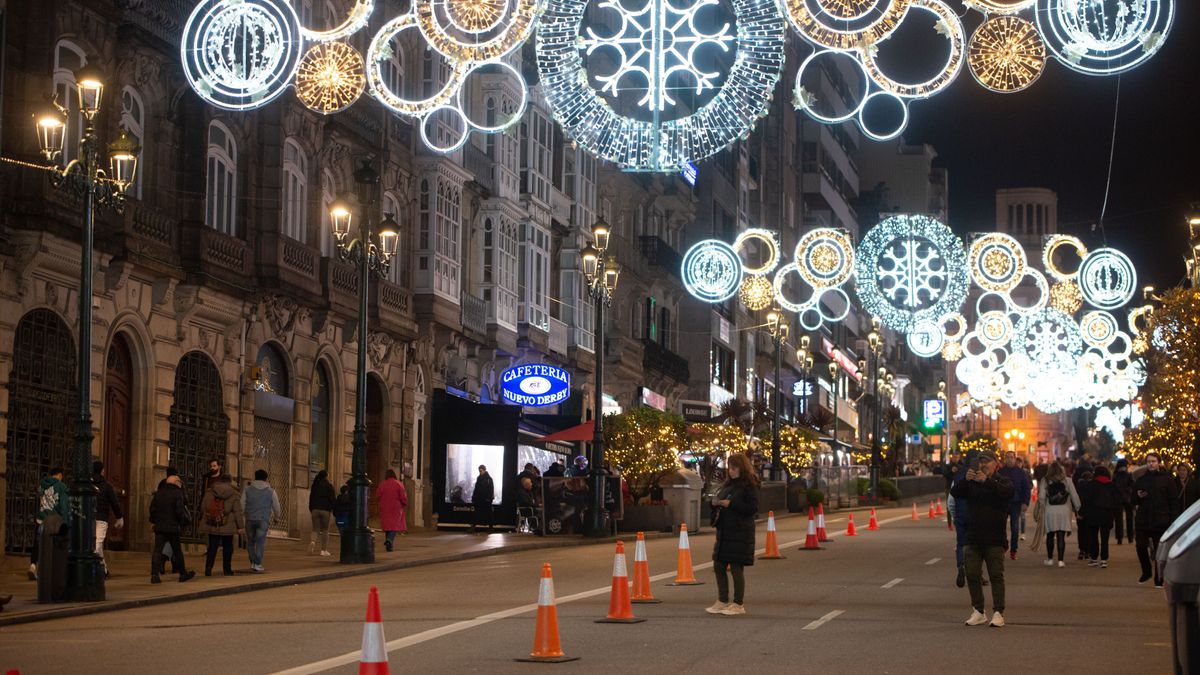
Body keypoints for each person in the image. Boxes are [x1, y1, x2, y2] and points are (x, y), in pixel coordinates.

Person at [950, 450, 1013, 627]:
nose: (984, 465)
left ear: (996, 463)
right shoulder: (972, 482)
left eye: (987, 462)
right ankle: (978, 610)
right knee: (971, 574)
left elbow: (1007, 493)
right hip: (972, 536)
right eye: (981, 462)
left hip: (994, 538)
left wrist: (987, 481)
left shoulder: (1002, 481)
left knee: (996, 576)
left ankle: (999, 612)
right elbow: (955, 493)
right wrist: (966, 479)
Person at [707, 452, 759, 617]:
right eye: (729, 467)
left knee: (736, 567)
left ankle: (738, 603)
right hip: (725, 531)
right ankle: (722, 600)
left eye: (734, 468)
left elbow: (752, 508)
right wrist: (715, 503)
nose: (731, 471)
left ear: (741, 468)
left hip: (740, 531)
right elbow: (721, 501)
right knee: (719, 565)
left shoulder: (750, 485)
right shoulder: (728, 485)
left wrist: (732, 504)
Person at [1134, 452, 1181, 587]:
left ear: (1159, 463)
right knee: (1140, 546)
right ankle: (1146, 571)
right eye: (1149, 461)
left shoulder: (1167, 479)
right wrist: (1138, 496)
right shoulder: (1141, 479)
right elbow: (1133, 499)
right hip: (1144, 518)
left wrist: (1173, 520)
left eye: (1153, 461)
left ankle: (1159, 578)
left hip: (1161, 519)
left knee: (1160, 551)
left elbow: (1173, 501)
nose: (1151, 464)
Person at [148, 474, 196, 583]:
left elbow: (152, 509)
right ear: (176, 483)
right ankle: (183, 574)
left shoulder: (159, 493)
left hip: (160, 527)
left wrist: (153, 522)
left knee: (157, 551)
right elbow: (179, 511)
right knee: (177, 551)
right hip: (172, 527)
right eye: (180, 483)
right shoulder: (177, 493)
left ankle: (154, 575)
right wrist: (182, 523)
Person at [198, 474, 244, 576]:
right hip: (227, 524)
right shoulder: (234, 494)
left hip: (213, 523)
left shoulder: (210, 491)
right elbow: (237, 512)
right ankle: (227, 570)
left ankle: (208, 568)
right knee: (228, 547)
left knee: (212, 546)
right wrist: (240, 526)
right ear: (230, 481)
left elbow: (203, 507)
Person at [1037, 461, 1080, 567]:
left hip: (1050, 511)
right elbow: (1074, 496)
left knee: (1050, 536)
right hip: (1064, 511)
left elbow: (1042, 497)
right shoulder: (1068, 481)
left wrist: (1042, 506)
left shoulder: (1045, 480)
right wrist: (1078, 508)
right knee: (1061, 536)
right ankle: (1061, 561)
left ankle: (1050, 559)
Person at [30, 467, 69, 581]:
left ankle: (33, 565)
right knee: (53, 546)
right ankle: (48, 570)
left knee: (37, 543)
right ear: (60, 475)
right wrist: (65, 522)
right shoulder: (62, 487)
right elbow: (63, 506)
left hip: (41, 518)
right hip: (53, 520)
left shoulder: (42, 485)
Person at [1078, 465, 1117, 568]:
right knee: (1105, 538)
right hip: (1107, 514)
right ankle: (1104, 559)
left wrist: (1081, 513)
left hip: (1093, 513)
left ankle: (1094, 558)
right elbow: (1116, 501)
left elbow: (1086, 500)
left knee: (1093, 537)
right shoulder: (1111, 485)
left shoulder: (1091, 485)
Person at [242, 469, 281, 573]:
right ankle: (257, 563)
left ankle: (252, 562)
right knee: (260, 541)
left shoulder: (247, 489)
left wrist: (242, 516)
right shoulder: (271, 491)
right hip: (263, 519)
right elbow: (277, 507)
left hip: (249, 519)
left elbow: (242, 505)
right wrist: (276, 518)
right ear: (266, 478)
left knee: (250, 541)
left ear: (255, 477)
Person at [92, 461, 124, 578]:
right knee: (97, 544)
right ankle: (101, 569)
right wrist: (119, 517)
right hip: (101, 518)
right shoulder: (107, 485)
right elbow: (114, 502)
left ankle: (102, 568)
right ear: (102, 470)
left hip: (89, 518)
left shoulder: (87, 484)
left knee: (97, 545)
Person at [997, 451, 1031, 560]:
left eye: (1011, 457)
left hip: (1016, 503)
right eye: (1007, 457)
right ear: (1004, 459)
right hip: (1002, 503)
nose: (1009, 459)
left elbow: (1026, 488)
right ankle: (1004, 546)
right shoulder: (1000, 471)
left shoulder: (1020, 472)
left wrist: (1025, 502)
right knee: (1001, 527)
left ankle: (1013, 550)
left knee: (1015, 528)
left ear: (1014, 459)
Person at [378, 469, 409, 552]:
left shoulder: (382, 484)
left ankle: (389, 546)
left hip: (384, 507)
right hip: (396, 507)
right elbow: (403, 496)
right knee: (395, 526)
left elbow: (378, 495)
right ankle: (389, 540)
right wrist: (404, 503)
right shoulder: (398, 484)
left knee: (388, 526)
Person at [308, 470, 336, 556]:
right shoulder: (329, 486)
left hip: (315, 510)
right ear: (326, 476)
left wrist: (311, 509)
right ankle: (323, 550)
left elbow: (311, 497)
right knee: (325, 530)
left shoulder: (315, 485)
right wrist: (333, 509)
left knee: (315, 529)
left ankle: (313, 542)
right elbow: (332, 499)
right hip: (325, 510)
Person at [1112, 459, 1135, 544]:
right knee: (1129, 519)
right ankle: (1130, 537)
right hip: (1127, 498)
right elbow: (1132, 486)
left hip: (1118, 499)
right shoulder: (1128, 475)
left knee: (1119, 520)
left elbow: (1113, 488)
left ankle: (1120, 538)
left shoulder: (1115, 476)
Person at [471, 465, 495, 534]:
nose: (480, 472)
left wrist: (488, 498)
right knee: (481, 513)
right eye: (479, 471)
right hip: (481, 499)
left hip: (484, 499)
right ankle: (489, 527)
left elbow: (490, 490)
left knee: (484, 513)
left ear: (484, 470)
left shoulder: (488, 479)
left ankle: (490, 527)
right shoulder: (485, 478)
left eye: (481, 471)